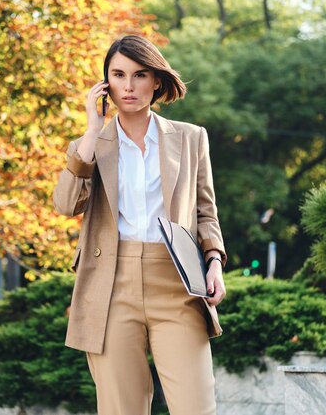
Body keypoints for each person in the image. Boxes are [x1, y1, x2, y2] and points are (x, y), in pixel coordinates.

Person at [53, 35, 227, 415]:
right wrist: (91, 128)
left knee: (196, 407)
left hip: (177, 281)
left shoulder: (191, 137)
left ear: (156, 81)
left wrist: (214, 262)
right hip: (110, 285)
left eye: (139, 74)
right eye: (118, 75)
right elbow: (66, 204)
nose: (128, 86)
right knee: (121, 408)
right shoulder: (89, 144)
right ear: (105, 84)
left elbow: (205, 211)